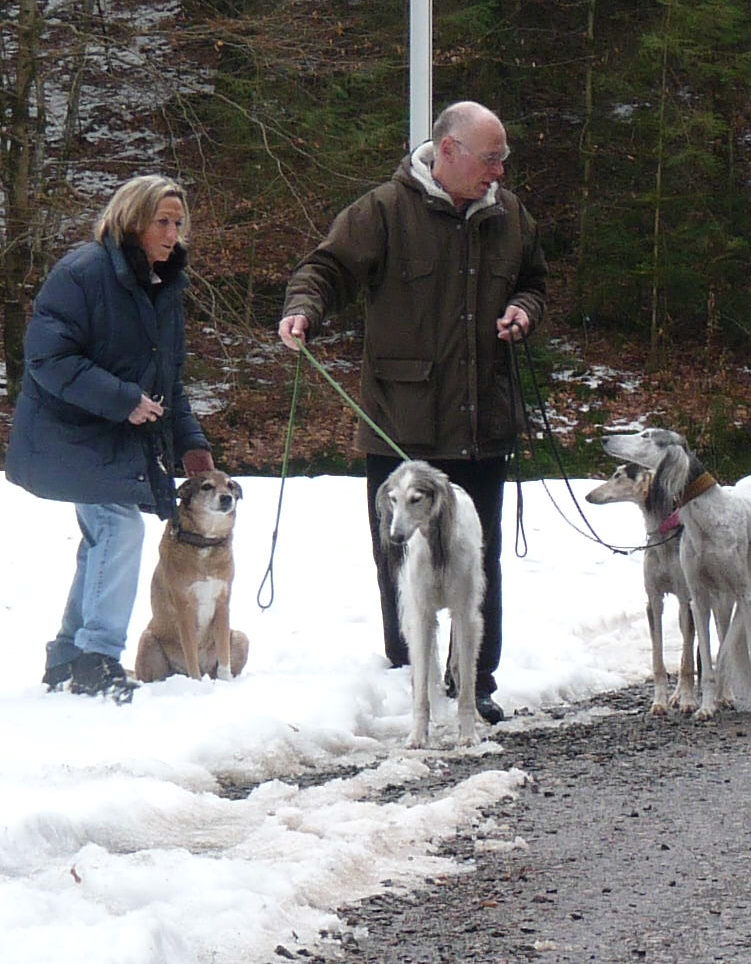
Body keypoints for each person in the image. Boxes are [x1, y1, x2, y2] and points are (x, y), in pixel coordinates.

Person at [277, 101, 546, 725]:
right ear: (448, 150)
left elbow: (535, 281)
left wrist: (524, 311)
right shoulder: (383, 210)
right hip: (402, 425)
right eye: (491, 158)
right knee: (400, 558)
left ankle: (474, 684)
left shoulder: (510, 215)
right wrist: (303, 309)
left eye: (503, 158)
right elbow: (325, 268)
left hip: (482, 423)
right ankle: (411, 676)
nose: (500, 171)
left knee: (478, 557)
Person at [6, 175, 218, 703]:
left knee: (104, 538)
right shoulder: (82, 273)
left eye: (178, 222)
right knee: (119, 529)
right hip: (70, 434)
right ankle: (96, 660)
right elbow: (48, 359)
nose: (172, 234)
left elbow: (168, 378)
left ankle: (68, 656)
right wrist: (123, 399)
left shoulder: (164, 285)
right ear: (132, 220)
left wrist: (190, 442)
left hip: (118, 439)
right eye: (162, 221)